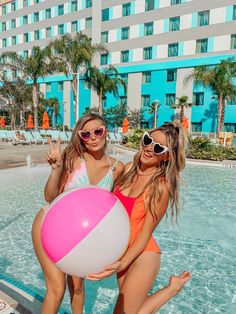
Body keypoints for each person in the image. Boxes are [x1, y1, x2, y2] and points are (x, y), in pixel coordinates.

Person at [87, 122, 191, 313]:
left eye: (158, 147)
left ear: (167, 156)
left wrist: (123, 263)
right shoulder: (127, 170)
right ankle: (172, 288)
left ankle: (172, 289)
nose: (149, 149)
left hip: (143, 255)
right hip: (121, 251)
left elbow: (145, 233)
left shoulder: (160, 187)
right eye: (148, 140)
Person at [32, 113, 124, 314]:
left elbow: (111, 210)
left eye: (98, 131)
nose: (93, 137)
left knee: (79, 287)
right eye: (86, 134)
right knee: (57, 290)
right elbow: (50, 197)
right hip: (49, 226)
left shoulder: (117, 168)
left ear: (105, 132)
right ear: (80, 137)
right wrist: (56, 169)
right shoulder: (74, 159)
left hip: (80, 237)